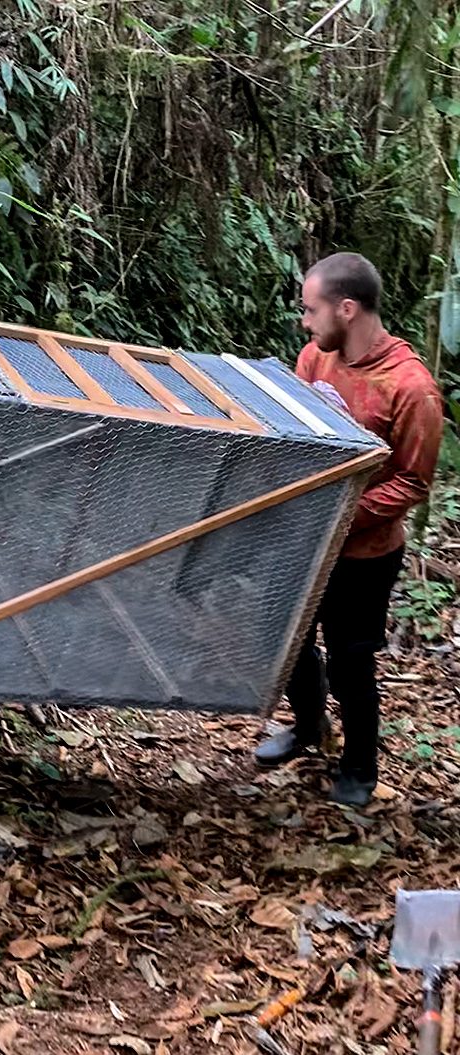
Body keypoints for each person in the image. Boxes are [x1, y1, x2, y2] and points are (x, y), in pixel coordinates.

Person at [253, 253, 444, 806]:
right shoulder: (314, 357)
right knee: (286, 638)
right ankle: (308, 727)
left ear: (348, 308)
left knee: (351, 659)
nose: (304, 322)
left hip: (364, 553)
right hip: (304, 535)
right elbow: (298, 430)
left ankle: (360, 766)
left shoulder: (411, 388)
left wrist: (340, 516)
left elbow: (412, 481)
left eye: (311, 310)